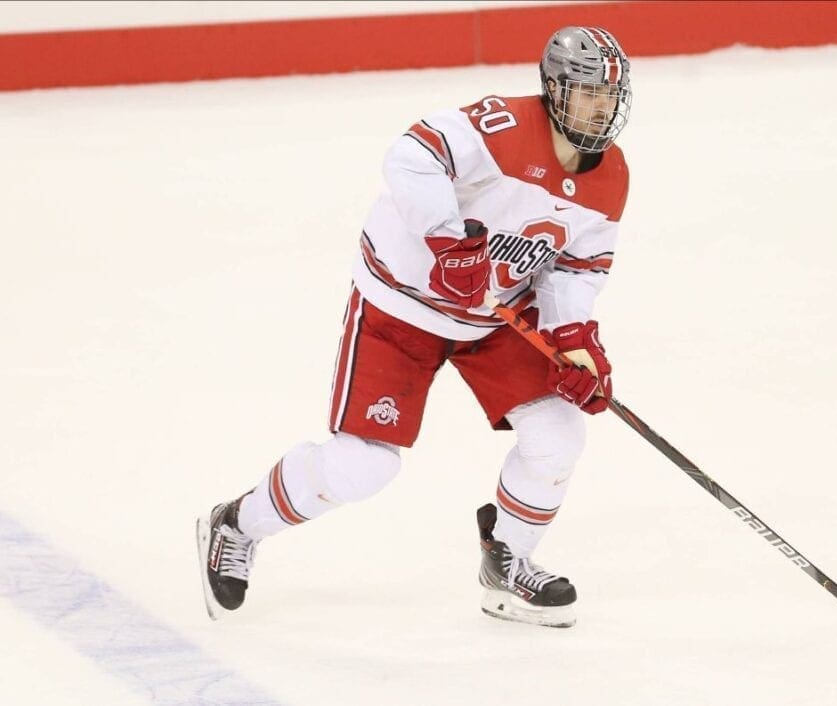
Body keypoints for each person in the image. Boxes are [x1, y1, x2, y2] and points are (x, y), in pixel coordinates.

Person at [197, 26, 632, 629]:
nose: (599, 107)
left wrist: (573, 339)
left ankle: (508, 564)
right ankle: (236, 523)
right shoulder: (502, 126)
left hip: (494, 317)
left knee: (558, 436)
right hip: (402, 306)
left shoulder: (611, 177)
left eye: (609, 96)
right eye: (585, 93)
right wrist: (447, 241)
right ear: (553, 90)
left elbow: (576, 266)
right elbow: (413, 155)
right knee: (363, 467)